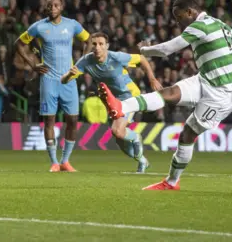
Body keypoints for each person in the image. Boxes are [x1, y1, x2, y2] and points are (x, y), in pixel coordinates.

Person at [98, 0, 232, 190]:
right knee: (169, 93)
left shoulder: (199, 26)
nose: (178, 22)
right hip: (206, 79)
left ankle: (171, 182)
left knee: (187, 134)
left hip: (223, 95)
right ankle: (121, 106)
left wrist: (144, 49)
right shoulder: (220, 25)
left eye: (179, 17)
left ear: (191, 12)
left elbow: (168, 49)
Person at [61, 32, 163, 173]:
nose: (97, 47)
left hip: (129, 96)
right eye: (94, 44)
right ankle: (142, 161)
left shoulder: (116, 57)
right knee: (120, 141)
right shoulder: (86, 61)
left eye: (101, 44)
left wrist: (152, 79)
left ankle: (136, 137)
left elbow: (141, 59)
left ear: (107, 46)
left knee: (117, 131)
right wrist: (69, 75)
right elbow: (64, 80)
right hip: (110, 101)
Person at [16, 0, 90, 172]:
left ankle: (65, 161)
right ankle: (54, 162)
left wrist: (80, 65)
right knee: (49, 120)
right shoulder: (39, 27)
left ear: (61, 7)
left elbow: (89, 41)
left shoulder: (72, 25)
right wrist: (33, 64)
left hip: (69, 79)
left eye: (56, 5)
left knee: (72, 120)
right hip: (49, 79)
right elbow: (19, 43)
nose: (52, 8)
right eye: (49, 6)